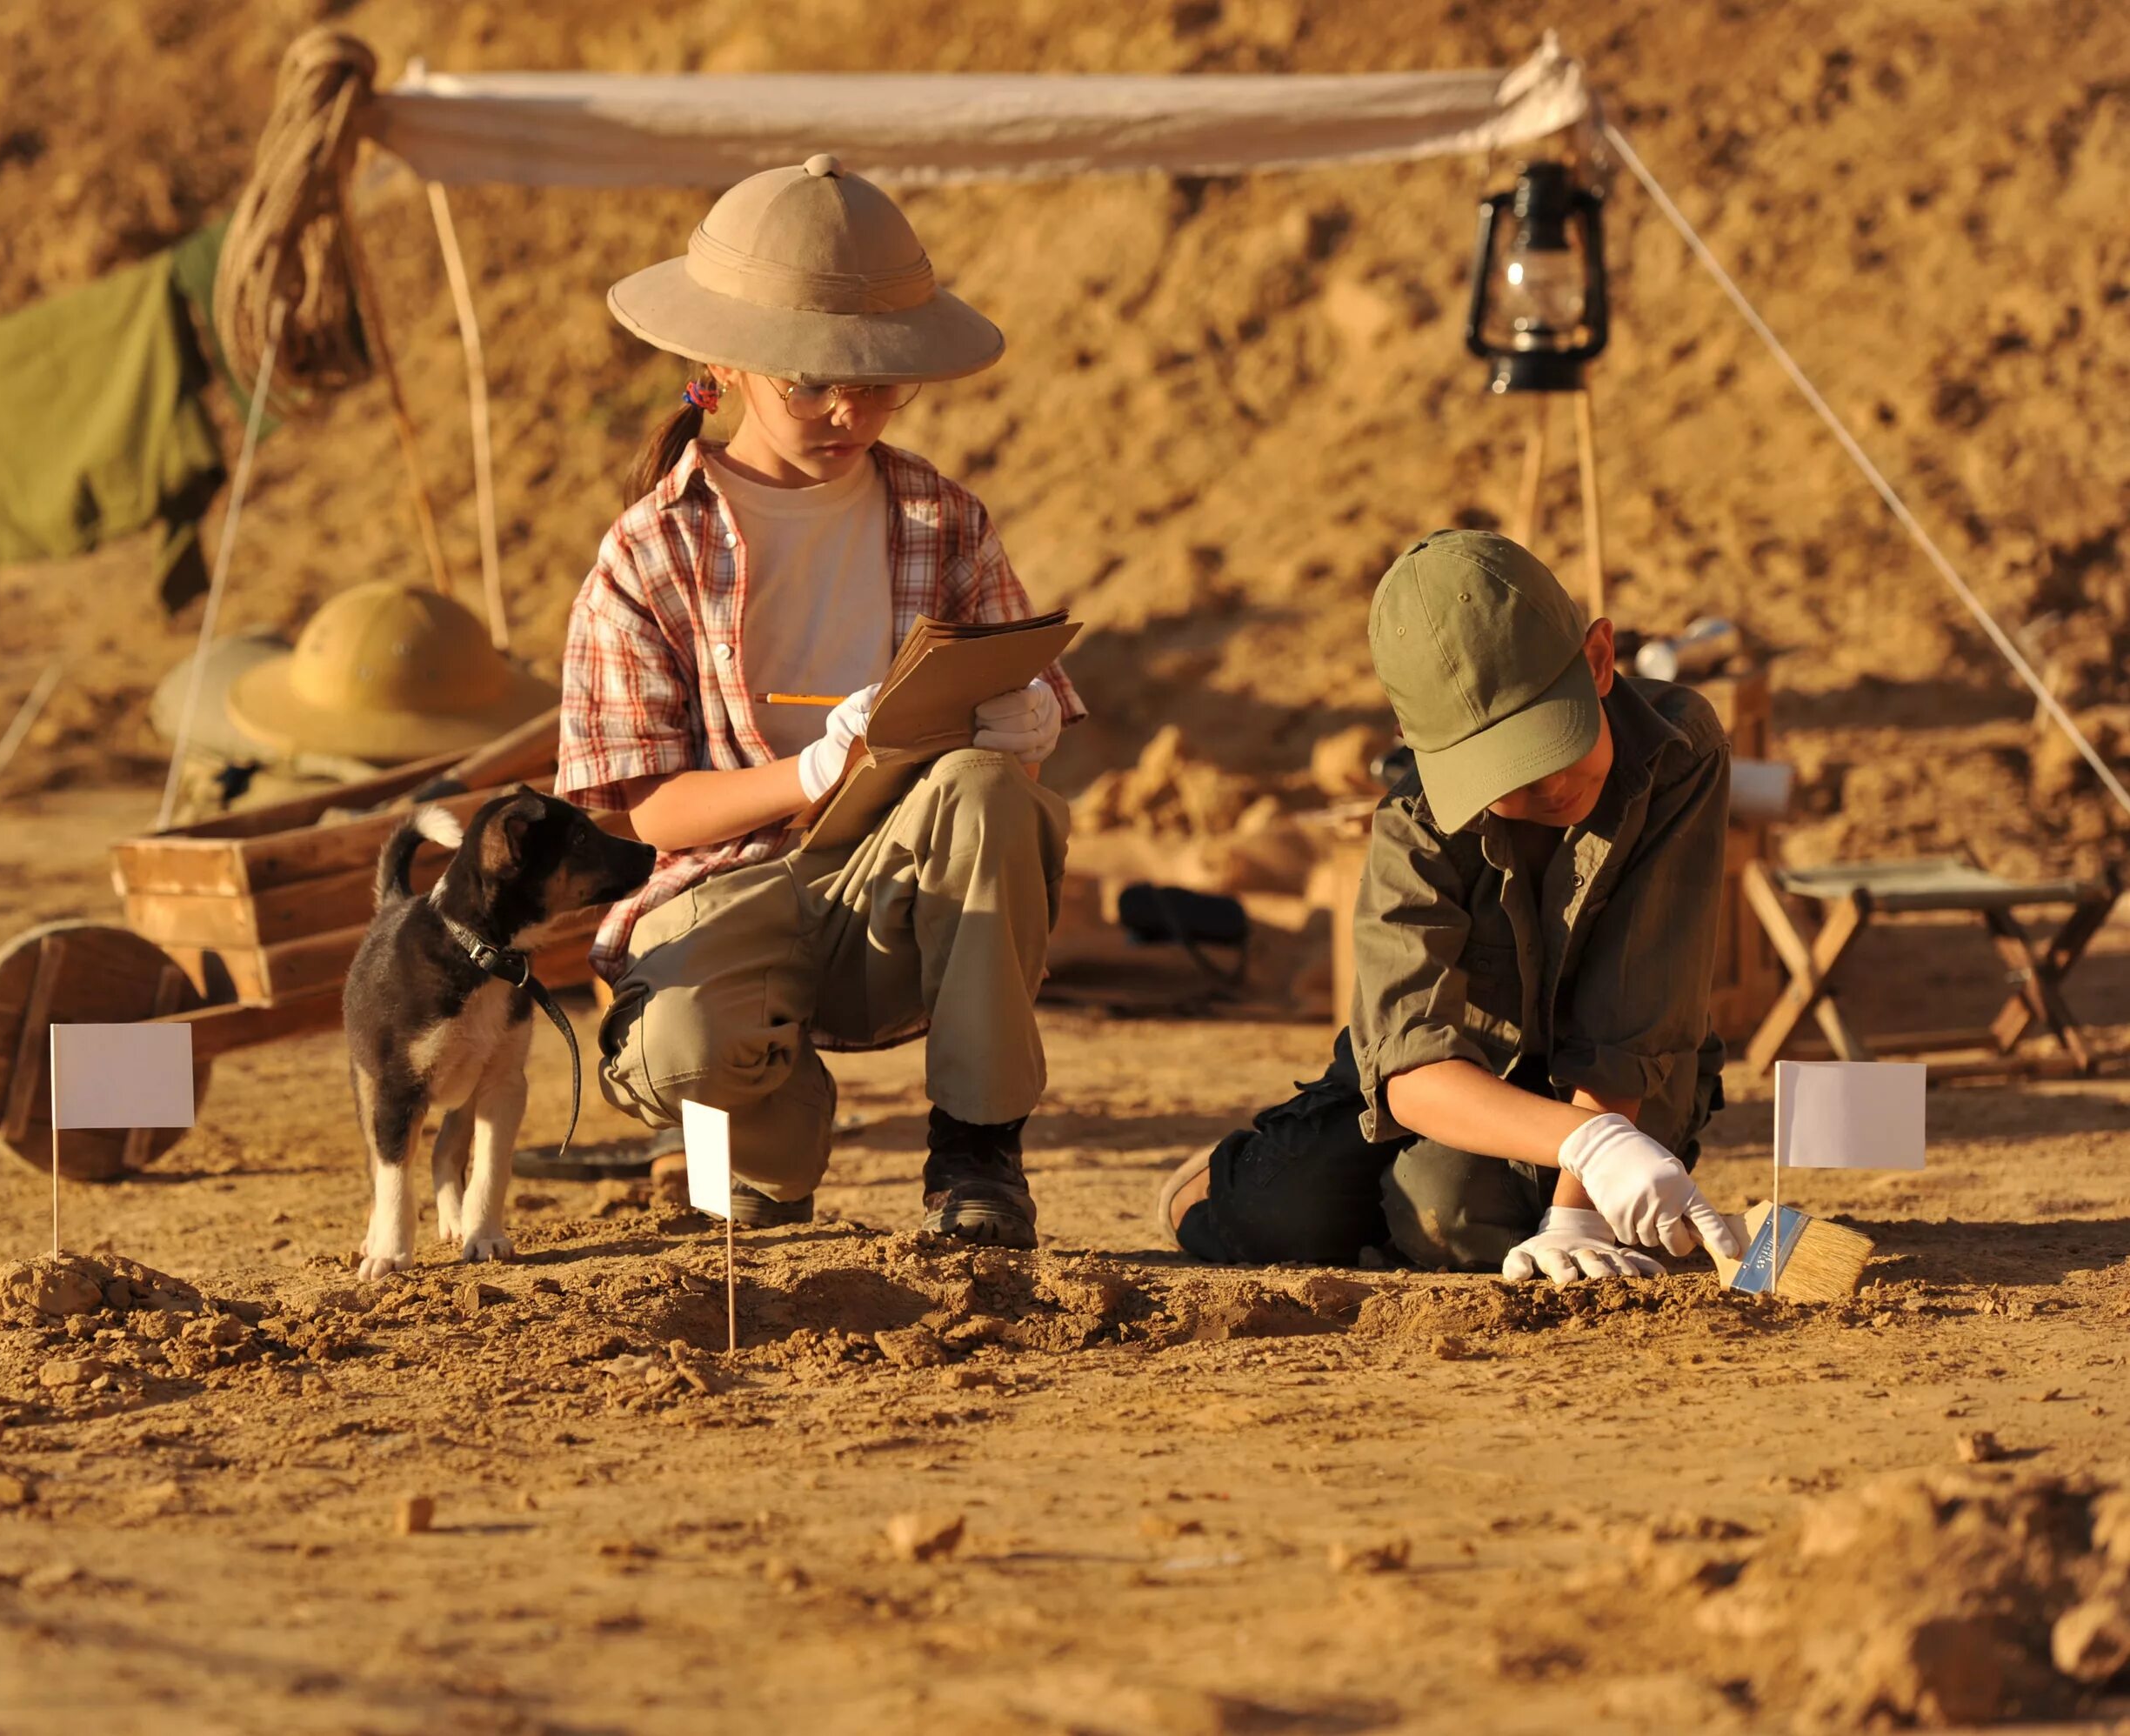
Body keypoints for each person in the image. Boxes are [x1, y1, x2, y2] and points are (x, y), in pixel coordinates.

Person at [558, 154, 1083, 1249]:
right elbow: (641, 811)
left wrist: (1018, 724)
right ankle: (761, 1145)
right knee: (678, 1055)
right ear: (728, 366)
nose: (850, 410)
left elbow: (1000, 775)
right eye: (811, 382)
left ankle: (978, 1152)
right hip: (725, 895)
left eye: (882, 381)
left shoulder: (944, 519)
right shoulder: (651, 551)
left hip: (896, 898)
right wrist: (802, 773)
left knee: (991, 791)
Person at [1157, 529, 1746, 1284]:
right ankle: (1245, 1177)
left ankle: (1419, 1205)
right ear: (1417, 745)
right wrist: (1587, 1148)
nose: (1545, 788)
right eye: (1506, 771)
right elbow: (1412, 1064)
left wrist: (1579, 1204)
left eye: (1552, 742)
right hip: (1457, 1085)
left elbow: (1636, 1014)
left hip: (1625, 1083)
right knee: (1276, 1216)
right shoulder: (1415, 823)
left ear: (1599, 661)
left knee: (1457, 1218)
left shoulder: (1681, 751)